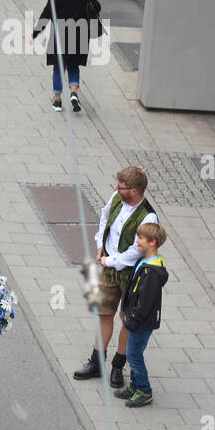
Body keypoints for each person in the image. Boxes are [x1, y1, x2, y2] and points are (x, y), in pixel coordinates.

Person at [74, 166, 158, 388]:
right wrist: (100, 244)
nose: (116, 189)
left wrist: (109, 261)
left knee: (127, 322)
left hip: (131, 274)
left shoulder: (148, 217)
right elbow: (104, 217)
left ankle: (118, 365)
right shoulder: (116, 198)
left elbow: (135, 252)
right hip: (108, 266)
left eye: (120, 187)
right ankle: (97, 363)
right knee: (103, 313)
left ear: (134, 191)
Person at [32, 0, 104, 112]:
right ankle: (73, 93)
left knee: (58, 68)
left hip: (60, 36)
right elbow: (98, 7)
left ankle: (57, 101)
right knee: (74, 66)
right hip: (79, 36)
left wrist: (34, 34)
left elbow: (45, 16)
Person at [115, 222, 169, 408]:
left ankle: (144, 391)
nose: (137, 241)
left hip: (141, 322)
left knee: (134, 355)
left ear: (152, 242)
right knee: (133, 353)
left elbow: (144, 301)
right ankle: (135, 386)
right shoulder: (144, 261)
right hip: (136, 318)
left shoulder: (152, 272)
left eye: (141, 238)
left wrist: (133, 320)